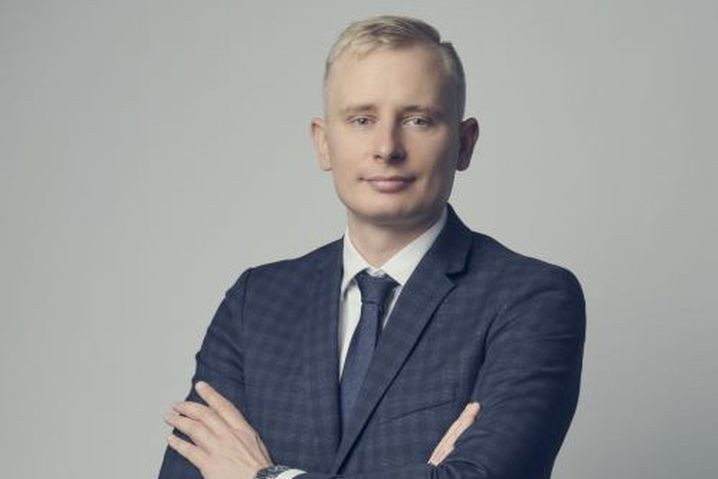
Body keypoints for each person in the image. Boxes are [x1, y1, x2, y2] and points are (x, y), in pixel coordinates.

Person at [157, 15, 585, 479]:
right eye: (362, 120)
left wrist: (267, 475)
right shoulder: (256, 301)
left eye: (418, 120)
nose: (386, 147)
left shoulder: (531, 298)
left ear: (464, 144)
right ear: (324, 143)